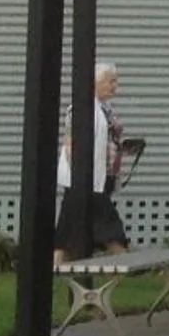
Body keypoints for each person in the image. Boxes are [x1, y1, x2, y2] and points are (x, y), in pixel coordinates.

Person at [53, 60, 127, 256]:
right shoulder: (81, 108)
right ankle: (123, 260)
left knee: (68, 231)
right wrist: (80, 175)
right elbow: (71, 143)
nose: (115, 86)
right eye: (111, 81)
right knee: (111, 229)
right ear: (96, 83)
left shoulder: (105, 109)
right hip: (86, 180)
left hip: (98, 179)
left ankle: (57, 264)